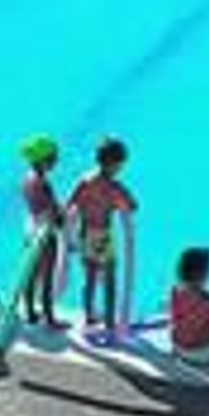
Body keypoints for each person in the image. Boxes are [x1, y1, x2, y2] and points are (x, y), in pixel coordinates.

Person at [66, 136, 138, 330]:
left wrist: (69, 238)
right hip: (102, 236)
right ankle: (109, 321)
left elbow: (70, 203)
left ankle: (89, 315)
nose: (121, 168)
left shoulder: (85, 180)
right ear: (114, 164)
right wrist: (116, 204)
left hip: (84, 233)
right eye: (120, 165)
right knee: (109, 280)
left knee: (89, 278)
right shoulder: (114, 187)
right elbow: (132, 205)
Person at [19, 134, 68, 329]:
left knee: (31, 273)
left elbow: (35, 207)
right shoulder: (42, 183)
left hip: (30, 228)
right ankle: (49, 318)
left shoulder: (26, 179)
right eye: (53, 157)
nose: (56, 161)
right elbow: (51, 211)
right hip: (44, 232)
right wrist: (61, 219)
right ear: (43, 159)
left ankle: (30, 312)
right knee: (47, 276)